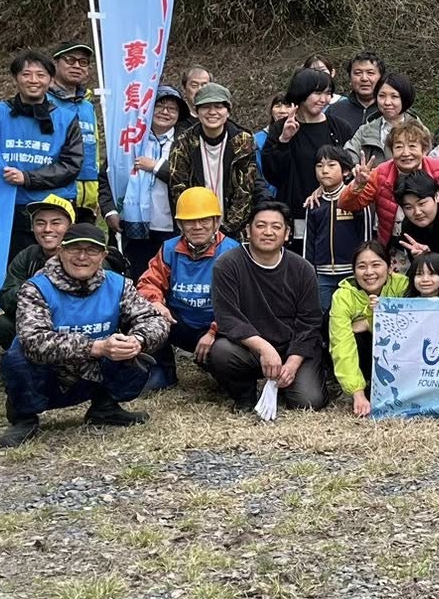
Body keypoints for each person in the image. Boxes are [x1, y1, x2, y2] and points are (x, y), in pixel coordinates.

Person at [0, 223, 167, 448]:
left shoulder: (119, 285)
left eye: (92, 250)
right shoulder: (35, 288)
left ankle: (104, 407)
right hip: (51, 374)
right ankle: (24, 417)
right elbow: (34, 341)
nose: (82, 257)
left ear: (103, 255)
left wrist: (138, 340)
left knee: (135, 354)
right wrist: (96, 347)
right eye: (74, 249)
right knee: (16, 357)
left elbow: (155, 320)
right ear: (61, 251)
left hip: (93, 371)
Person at [208, 201, 328, 411]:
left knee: (308, 401)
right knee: (221, 352)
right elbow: (227, 318)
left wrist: (292, 362)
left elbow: (309, 322)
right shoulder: (227, 264)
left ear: (287, 233)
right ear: (248, 230)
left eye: (276, 226)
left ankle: (291, 380)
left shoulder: (303, 269)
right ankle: (244, 394)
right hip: (251, 347)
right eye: (261, 225)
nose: (268, 232)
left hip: (293, 347)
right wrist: (265, 348)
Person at [133, 187, 239, 390]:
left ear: (216, 222)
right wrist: (156, 302)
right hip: (178, 322)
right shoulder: (170, 248)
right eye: (189, 221)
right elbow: (148, 282)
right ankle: (162, 371)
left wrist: (214, 332)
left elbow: (240, 304)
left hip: (218, 327)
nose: (197, 227)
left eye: (205, 220)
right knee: (148, 313)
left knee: (223, 366)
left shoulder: (232, 253)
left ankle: (214, 363)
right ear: (180, 224)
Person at [0, 195, 129, 349]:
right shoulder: (28, 256)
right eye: (40, 223)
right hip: (38, 321)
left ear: (71, 226)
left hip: (88, 327)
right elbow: (5, 297)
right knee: (3, 325)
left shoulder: (88, 258)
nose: (47, 229)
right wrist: (34, 291)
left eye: (56, 223)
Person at [0, 49, 85, 258]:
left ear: (50, 80)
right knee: (10, 267)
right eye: (26, 74)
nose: (33, 80)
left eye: (40, 75)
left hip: (52, 207)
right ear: (16, 78)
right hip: (5, 206)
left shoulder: (66, 117)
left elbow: (71, 165)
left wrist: (27, 178)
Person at [343, 120, 439, 237]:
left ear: (424, 150)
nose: (406, 153)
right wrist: (356, 186)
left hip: (435, 240)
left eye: (412, 146)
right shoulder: (380, 173)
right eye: (399, 147)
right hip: (393, 241)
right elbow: (345, 205)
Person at [263, 68, 356, 233]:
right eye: (318, 93)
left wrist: (327, 189)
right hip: (295, 215)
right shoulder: (280, 128)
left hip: (334, 213)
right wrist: (284, 140)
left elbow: (349, 171)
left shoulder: (340, 127)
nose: (324, 99)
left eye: (328, 94)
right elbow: (273, 175)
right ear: (302, 92)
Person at [165, 83, 260, 239]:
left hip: (234, 229)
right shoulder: (183, 143)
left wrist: (228, 229)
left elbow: (245, 190)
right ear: (197, 111)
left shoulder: (243, 141)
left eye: (218, 107)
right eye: (205, 107)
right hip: (196, 228)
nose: (212, 112)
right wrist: (199, 225)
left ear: (228, 111)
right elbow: (179, 188)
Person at [329, 241, 407, 417]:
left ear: (389, 267)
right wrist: (357, 393)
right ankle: (363, 384)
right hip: (363, 356)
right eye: (361, 266)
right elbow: (342, 345)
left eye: (376, 265)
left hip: (396, 357)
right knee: (355, 339)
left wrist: (368, 321)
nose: (369, 272)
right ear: (354, 271)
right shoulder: (343, 296)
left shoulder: (402, 286)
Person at [45, 40, 117, 230]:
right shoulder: (44, 101)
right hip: (57, 190)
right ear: (55, 64)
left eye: (83, 62)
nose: (77, 66)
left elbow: (93, 147)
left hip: (88, 195)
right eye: (70, 60)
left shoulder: (87, 105)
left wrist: (97, 194)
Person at [121, 85, 187, 279]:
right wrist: (110, 211)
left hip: (171, 227)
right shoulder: (131, 137)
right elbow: (109, 175)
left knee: (169, 277)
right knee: (137, 276)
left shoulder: (185, 141)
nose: (165, 112)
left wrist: (156, 167)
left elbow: (187, 176)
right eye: (160, 105)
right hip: (134, 226)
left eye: (172, 108)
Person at [303, 145, 370, 317]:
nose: (325, 171)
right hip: (323, 274)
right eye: (319, 166)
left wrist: (362, 267)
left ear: (346, 171)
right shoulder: (314, 203)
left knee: (354, 315)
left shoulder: (356, 200)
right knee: (323, 316)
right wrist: (309, 272)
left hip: (351, 272)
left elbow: (366, 237)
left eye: (331, 165)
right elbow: (308, 242)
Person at [345, 71, 422, 164]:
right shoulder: (365, 131)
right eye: (382, 96)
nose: (387, 102)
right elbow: (347, 158)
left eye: (394, 96)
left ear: (405, 98)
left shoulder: (421, 131)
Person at [327, 50, 384, 135]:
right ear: (350, 77)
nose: (364, 78)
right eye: (358, 73)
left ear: (381, 77)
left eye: (370, 73)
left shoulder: (390, 111)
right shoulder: (334, 112)